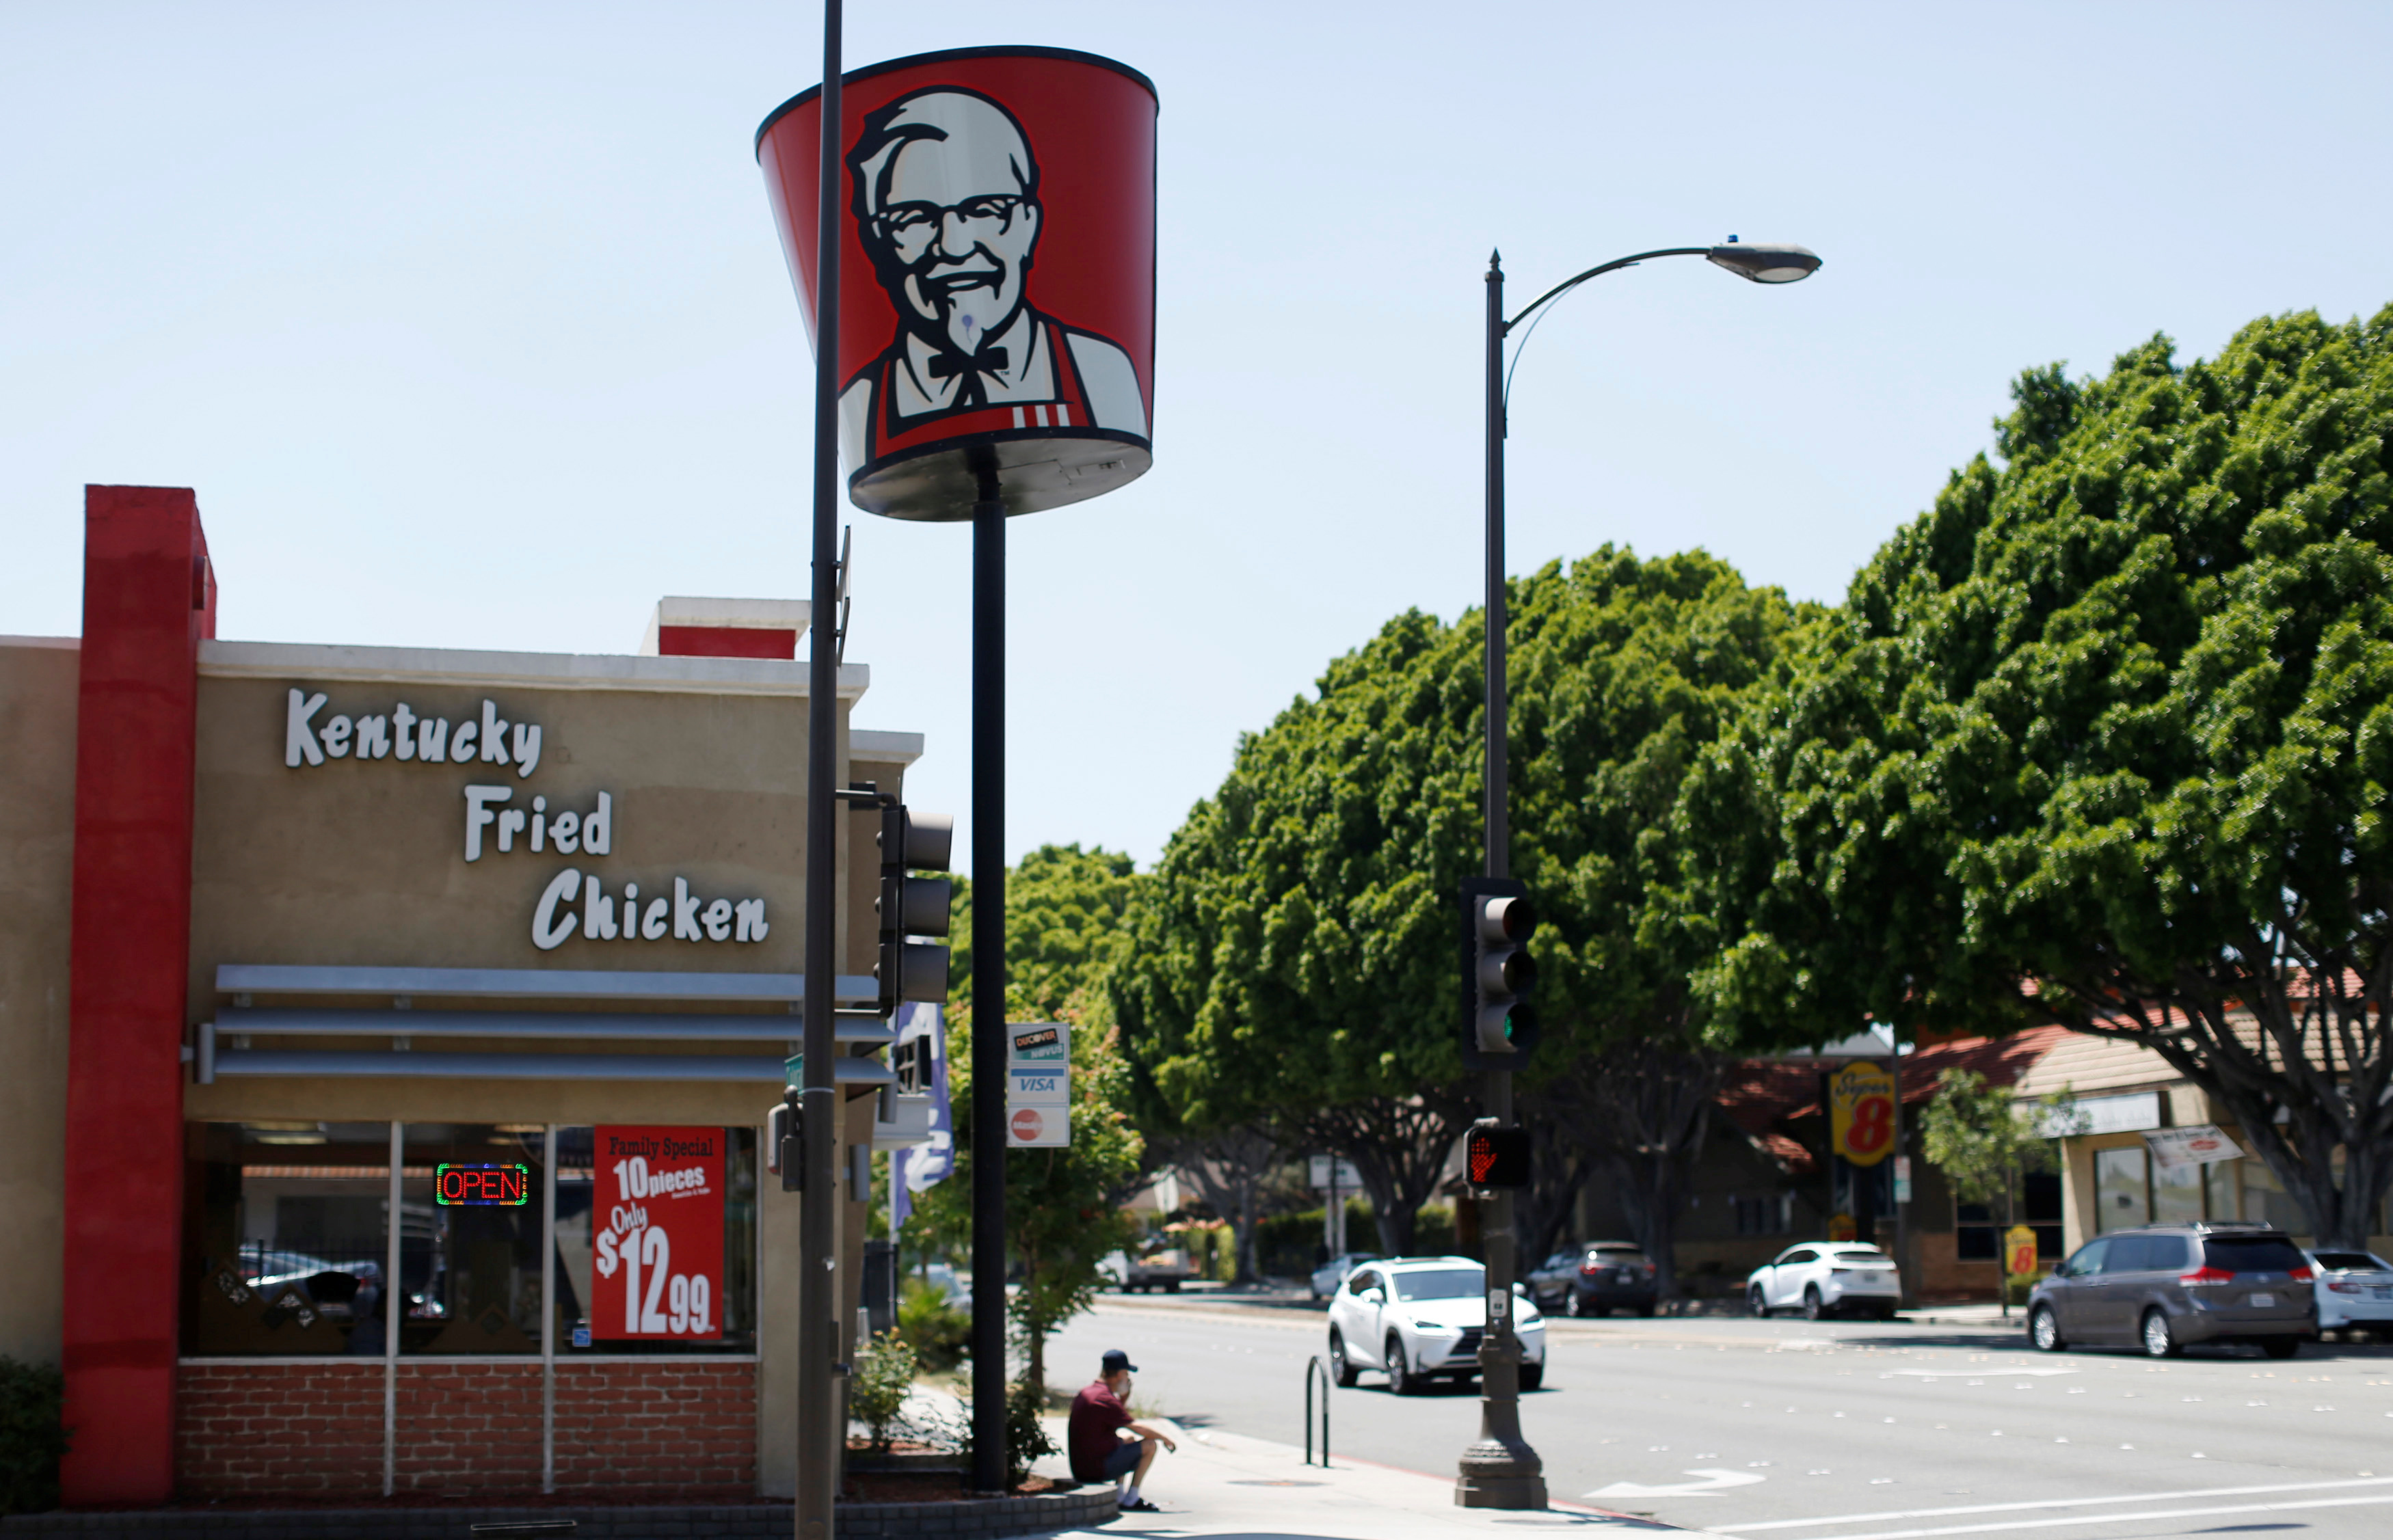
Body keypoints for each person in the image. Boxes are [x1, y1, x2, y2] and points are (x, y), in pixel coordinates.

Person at [838, 86, 1149, 476]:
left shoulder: (1098, 370)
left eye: (985, 210)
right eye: (915, 218)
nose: (954, 246)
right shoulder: (860, 405)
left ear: (1028, 224)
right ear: (877, 243)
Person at [1067, 1347, 1175, 1512]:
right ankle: (1131, 1499)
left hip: (1082, 1466)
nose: (1128, 1379)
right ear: (1119, 1374)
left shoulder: (1089, 1392)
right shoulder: (1105, 1399)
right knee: (1150, 1445)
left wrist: (1122, 1399)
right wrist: (1165, 1438)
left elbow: (1113, 1421)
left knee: (1128, 1439)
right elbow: (1137, 1427)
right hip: (1095, 1470)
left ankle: (1119, 1494)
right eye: (1126, 1374)